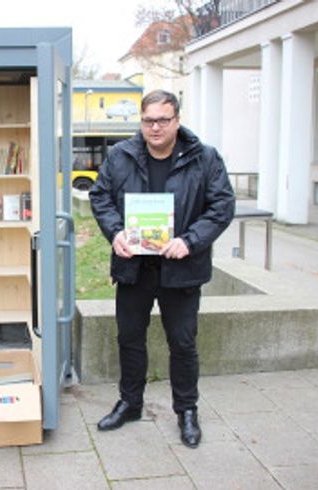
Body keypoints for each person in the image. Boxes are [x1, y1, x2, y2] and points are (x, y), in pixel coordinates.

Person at [88, 90, 235, 448]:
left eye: (162, 120)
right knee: (129, 338)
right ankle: (130, 403)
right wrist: (115, 231)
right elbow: (100, 196)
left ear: (177, 120)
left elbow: (222, 206)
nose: (154, 127)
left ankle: (187, 411)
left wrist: (190, 240)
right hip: (133, 267)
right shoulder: (121, 155)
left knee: (183, 343)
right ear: (141, 121)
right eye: (148, 120)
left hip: (181, 268)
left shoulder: (205, 158)